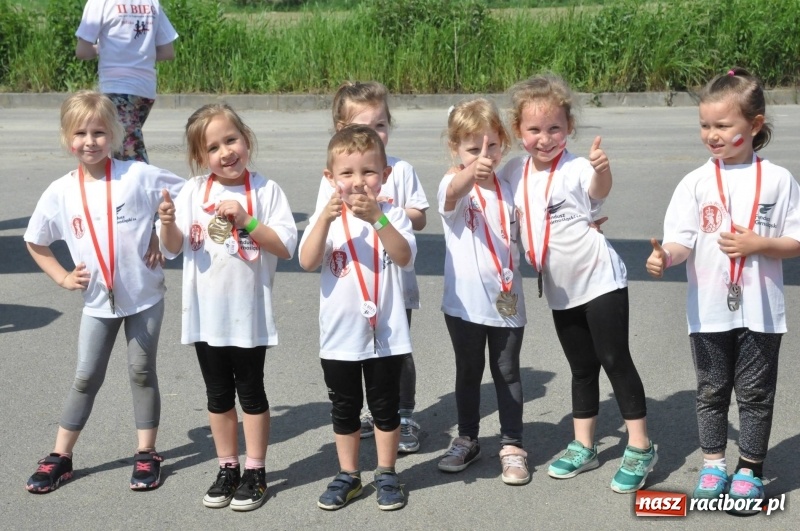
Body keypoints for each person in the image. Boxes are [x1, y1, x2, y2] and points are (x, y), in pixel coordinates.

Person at [646, 68, 800, 512]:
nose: (711, 135)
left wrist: (761, 244)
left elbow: (794, 241)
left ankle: (750, 468)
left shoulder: (778, 179)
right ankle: (713, 463)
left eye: (722, 126)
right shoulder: (695, 182)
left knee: (755, 393)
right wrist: (666, 257)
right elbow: (681, 239)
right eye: (704, 126)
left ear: (754, 125)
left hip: (761, 312)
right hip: (710, 309)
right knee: (711, 389)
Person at [499, 74, 656, 493]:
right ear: (519, 132)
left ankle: (640, 447)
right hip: (559, 288)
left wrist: (603, 170)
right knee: (581, 368)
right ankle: (583, 445)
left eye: (554, 128)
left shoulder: (579, 167)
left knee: (614, 359)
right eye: (534, 130)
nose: (545, 138)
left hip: (599, 279)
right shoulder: (514, 170)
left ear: (568, 127)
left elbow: (597, 191)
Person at [23, 90, 184, 494]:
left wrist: (158, 228)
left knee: (141, 372)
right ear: (67, 138)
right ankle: (60, 456)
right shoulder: (61, 191)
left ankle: (146, 453)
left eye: (99, 132)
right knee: (85, 377)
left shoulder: (138, 175)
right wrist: (61, 277)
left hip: (144, 297)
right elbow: (35, 241)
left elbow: (190, 195)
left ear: (113, 134)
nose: (90, 140)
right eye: (80, 133)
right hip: (97, 303)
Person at [158, 103, 297, 511]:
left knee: (251, 393)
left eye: (231, 140)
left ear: (246, 139)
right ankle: (228, 466)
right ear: (201, 157)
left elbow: (286, 247)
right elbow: (171, 247)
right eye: (213, 147)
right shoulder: (193, 191)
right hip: (205, 316)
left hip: (248, 313)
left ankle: (256, 469)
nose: (225, 152)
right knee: (217, 395)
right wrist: (167, 221)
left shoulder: (267, 190)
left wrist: (247, 220)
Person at [299, 125, 416, 511]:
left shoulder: (393, 213)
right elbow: (307, 260)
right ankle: (348, 474)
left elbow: (403, 256)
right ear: (330, 179)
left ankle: (386, 471)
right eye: (346, 173)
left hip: (386, 334)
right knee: (344, 408)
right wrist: (323, 220)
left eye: (368, 172)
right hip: (339, 336)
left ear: (384, 176)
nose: (358, 181)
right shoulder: (328, 218)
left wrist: (379, 219)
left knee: (384, 406)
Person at [315, 81, 429, 453]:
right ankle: (375, 417)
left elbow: (418, 217)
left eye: (380, 125)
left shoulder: (398, 170)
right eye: (361, 127)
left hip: (392, 279)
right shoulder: (340, 174)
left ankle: (403, 413)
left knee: (396, 348)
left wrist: (383, 213)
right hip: (352, 276)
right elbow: (321, 229)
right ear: (339, 130)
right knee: (360, 352)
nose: (372, 133)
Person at [437, 98, 530, 486]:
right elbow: (453, 191)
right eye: (473, 149)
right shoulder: (455, 183)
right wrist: (471, 170)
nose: (484, 156)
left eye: (492, 146)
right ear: (456, 150)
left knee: (507, 371)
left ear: (503, 144)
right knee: (469, 371)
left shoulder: (509, 185)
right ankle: (467, 438)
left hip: (508, 300)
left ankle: (512, 444)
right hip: (464, 304)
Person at [75, 0, 178, 164]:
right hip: (145, 90)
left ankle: (147, 187)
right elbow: (167, 51)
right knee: (120, 147)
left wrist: (101, 49)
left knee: (130, 157)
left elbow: (82, 51)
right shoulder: (151, 2)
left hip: (116, 87)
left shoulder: (100, 2)